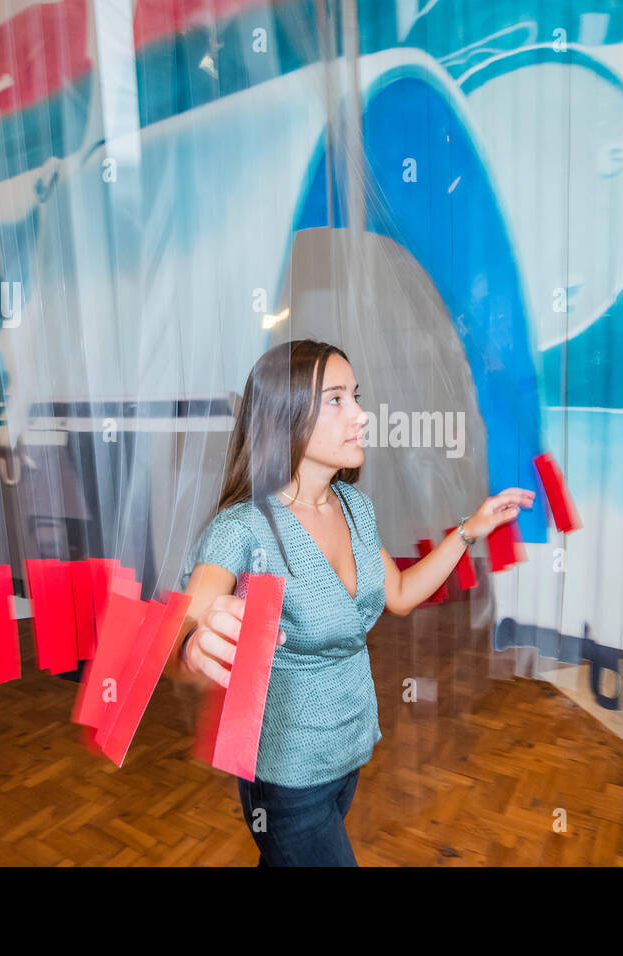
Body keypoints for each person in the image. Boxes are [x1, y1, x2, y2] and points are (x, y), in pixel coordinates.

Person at [164, 338, 534, 866]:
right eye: (337, 399)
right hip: (287, 777)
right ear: (285, 416)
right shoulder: (241, 528)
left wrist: (469, 531)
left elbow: (401, 595)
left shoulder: (355, 507)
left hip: (350, 752)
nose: (361, 415)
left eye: (355, 396)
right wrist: (192, 647)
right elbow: (181, 643)